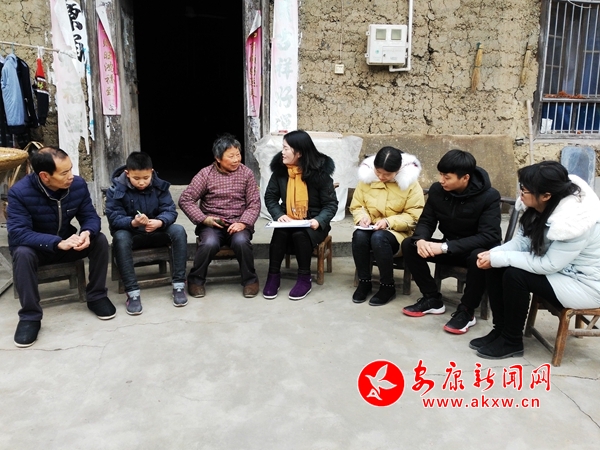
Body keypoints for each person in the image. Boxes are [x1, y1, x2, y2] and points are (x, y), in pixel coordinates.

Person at [472, 161, 600, 359]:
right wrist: (493, 255)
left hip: (584, 284)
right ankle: (500, 330)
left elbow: (548, 264)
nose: (520, 193)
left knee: (515, 275)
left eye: (525, 189)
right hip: (562, 272)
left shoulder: (574, 221)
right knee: (495, 265)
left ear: (546, 195)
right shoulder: (539, 205)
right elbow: (522, 242)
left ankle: (512, 341)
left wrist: (499, 257)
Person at [7, 146, 116, 348]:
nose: (71, 176)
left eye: (71, 169)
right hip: (38, 249)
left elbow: (90, 217)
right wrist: (57, 242)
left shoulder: (77, 185)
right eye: (64, 173)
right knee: (22, 253)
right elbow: (19, 233)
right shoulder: (19, 193)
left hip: (67, 244)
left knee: (99, 240)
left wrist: (86, 232)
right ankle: (30, 316)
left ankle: (96, 296)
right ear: (45, 176)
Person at [401, 149, 502, 334]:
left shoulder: (489, 196)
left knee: (478, 257)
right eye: (440, 175)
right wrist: (421, 240)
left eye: (447, 177)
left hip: (473, 252)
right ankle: (432, 298)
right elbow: (427, 221)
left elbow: (490, 236)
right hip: (448, 248)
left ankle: (467, 311)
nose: (441, 180)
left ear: (465, 178)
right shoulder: (437, 191)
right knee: (410, 244)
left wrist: (444, 247)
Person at [105, 151, 189, 315]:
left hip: (156, 231)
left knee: (178, 230)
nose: (142, 182)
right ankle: (132, 292)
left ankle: (179, 285)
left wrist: (160, 222)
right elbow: (114, 218)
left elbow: (170, 210)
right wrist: (133, 223)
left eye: (146, 177)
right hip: (132, 234)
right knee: (120, 238)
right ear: (127, 173)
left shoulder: (160, 186)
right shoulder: (116, 189)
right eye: (136, 178)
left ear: (152, 172)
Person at [179, 134, 261, 298]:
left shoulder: (246, 174)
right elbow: (185, 199)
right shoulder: (206, 174)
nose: (236, 159)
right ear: (218, 158)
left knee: (241, 242)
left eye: (238, 154)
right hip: (212, 224)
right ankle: (196, 280)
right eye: (231, 156)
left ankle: (250, 280)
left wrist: (243, 223)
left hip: (238, 223)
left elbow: (254, 203)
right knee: (209, 243)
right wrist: (204, 219)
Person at [263, 130, 338, 300]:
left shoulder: (320, 173)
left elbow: (330, 204)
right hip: (289, 218)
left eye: (286, 148)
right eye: (282, 148)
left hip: (314, 222)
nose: (282, 152)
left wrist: (318, 220)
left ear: (299, 152)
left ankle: (304, 278)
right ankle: (273, 276)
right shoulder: (281, 171)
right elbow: (270, 197)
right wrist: (279, 214)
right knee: (281, 232)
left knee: (300, 234)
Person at [350, 146, 424, 306]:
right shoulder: (366, 179)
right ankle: (364, 282)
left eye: (387, 174)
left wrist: (389, 222)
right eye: (378, 172)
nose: (381, 177)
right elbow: (357, 205)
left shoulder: (410, 184)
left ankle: (387, 286)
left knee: (379, 238)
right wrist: (362, 217)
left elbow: (414, 216)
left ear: (398, 170)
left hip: (399, 232)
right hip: (372, 227)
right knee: (359, 235)